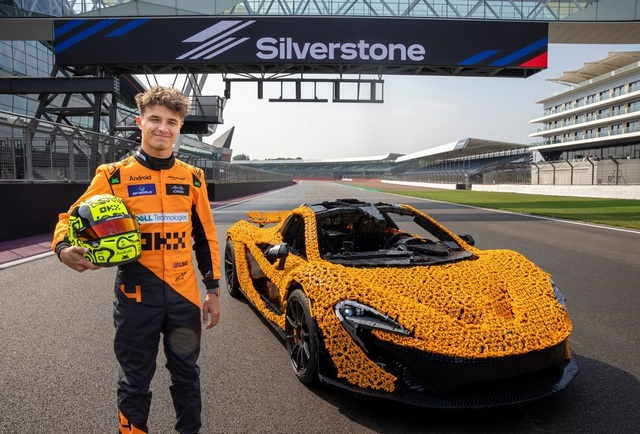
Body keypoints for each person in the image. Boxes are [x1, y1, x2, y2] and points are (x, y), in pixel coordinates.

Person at [51, 85, 221, 434]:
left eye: (171, 122)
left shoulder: (193, 178)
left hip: (184, 295)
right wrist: (63, 248)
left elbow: (205, 237)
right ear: (139, 122)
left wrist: (213, 290)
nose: (163, 128)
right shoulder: (113, 175)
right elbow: (71, 217)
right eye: (155, 119)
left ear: (180, 126)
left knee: (187, 374)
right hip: (135, 294)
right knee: (134, 379)